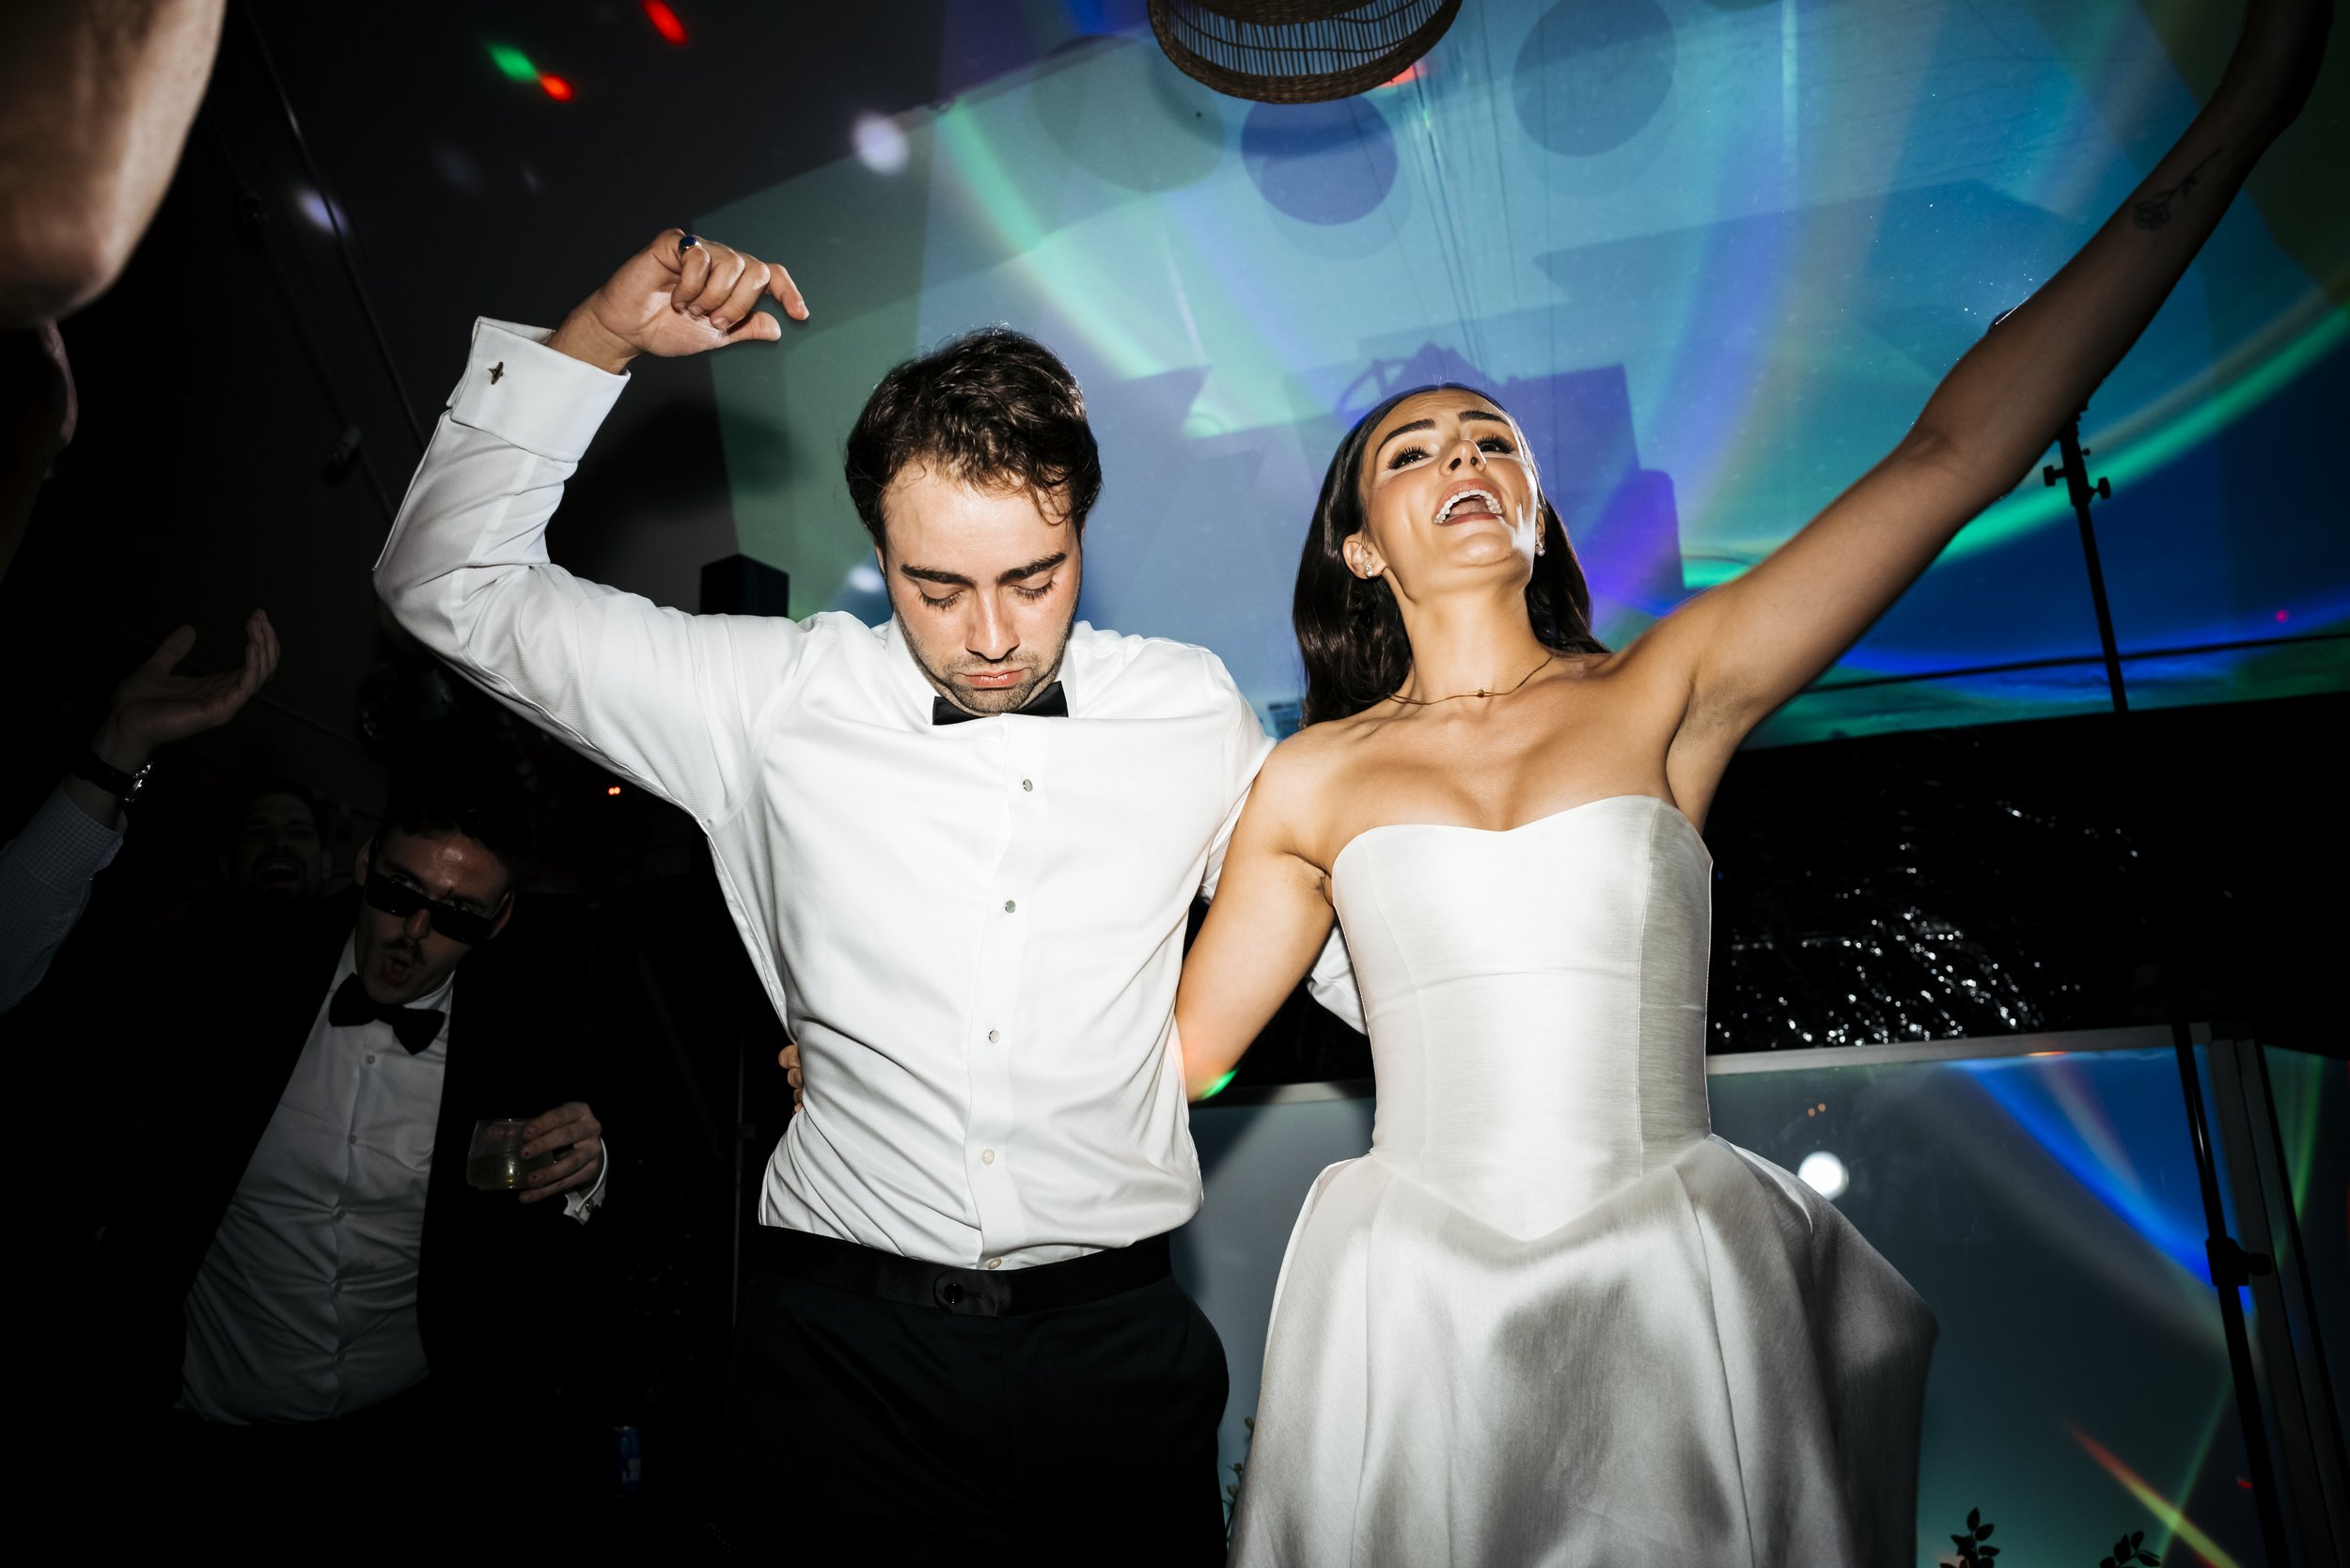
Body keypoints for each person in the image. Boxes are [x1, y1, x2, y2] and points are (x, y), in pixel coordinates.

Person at [1175, 1, 2330, 1560]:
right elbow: (1173, 1057)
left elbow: (1948, 456)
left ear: (1535, 506)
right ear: (1360, 545)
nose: (1462, 458)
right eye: (1412, 450)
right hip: (1410, 1298)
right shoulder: (1308, 779)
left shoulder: (1668, 687)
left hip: (1667, 1276)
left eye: (1492, 441)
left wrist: (2245, 113)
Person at [372, 238, 1355, 1565]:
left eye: (1034, 579)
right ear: (877, 551)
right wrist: (596, 337)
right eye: (936, 588)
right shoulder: (765, 697)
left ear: (1083, 528)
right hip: (845, 1365)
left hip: (1120, 1357)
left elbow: (1336, 940)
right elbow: (447, 588)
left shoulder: (1187, 707)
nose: (993, 636)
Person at [77, 762, 607, 1544]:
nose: (413, 933)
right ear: (362, 866)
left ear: (497, 923)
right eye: (398, 893)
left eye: (456, 916)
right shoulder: (238, 970)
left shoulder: (527, 1034)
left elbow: (562, 1213)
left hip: (401, 1445)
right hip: (201, 1432)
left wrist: (584, 1178)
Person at [0, 608, 276, 1012]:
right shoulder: (150, 955)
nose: (280, 845)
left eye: (299, 833)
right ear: (225, 862)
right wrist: (122, 742)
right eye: (259, 833)